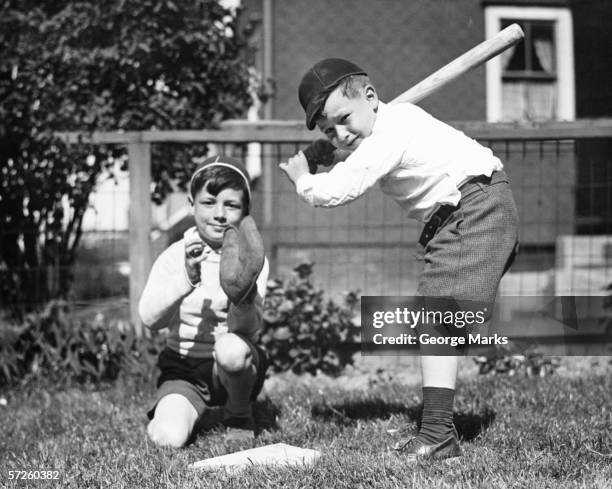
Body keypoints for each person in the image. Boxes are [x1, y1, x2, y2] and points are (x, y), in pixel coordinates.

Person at [279, 58, 519, 462]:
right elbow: (357, 155)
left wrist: (303, 177)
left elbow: (339, 189)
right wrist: (336, 149)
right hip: (466, 211)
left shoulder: (393, 130)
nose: (340, 133)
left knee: (438, 319)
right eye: (328, 130)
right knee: (441, 321)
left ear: (371, 98)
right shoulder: (385, 128)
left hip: (473, 209)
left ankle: (439, 435)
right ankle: (438, 428)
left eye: (344, 118)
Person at [139, 155, 269, 448]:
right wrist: (185, 279)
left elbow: (249, 332)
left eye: (231, 205)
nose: (219, 214)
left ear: (245, 209)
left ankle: (238, 413)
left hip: (232, 367)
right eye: (209, 202)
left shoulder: (253, 258)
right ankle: (177, 409)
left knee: (231, 348)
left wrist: (242, 296)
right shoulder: (174, 255)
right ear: (192, 203)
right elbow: (149, 319)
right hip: (184, 368)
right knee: (169, 438)